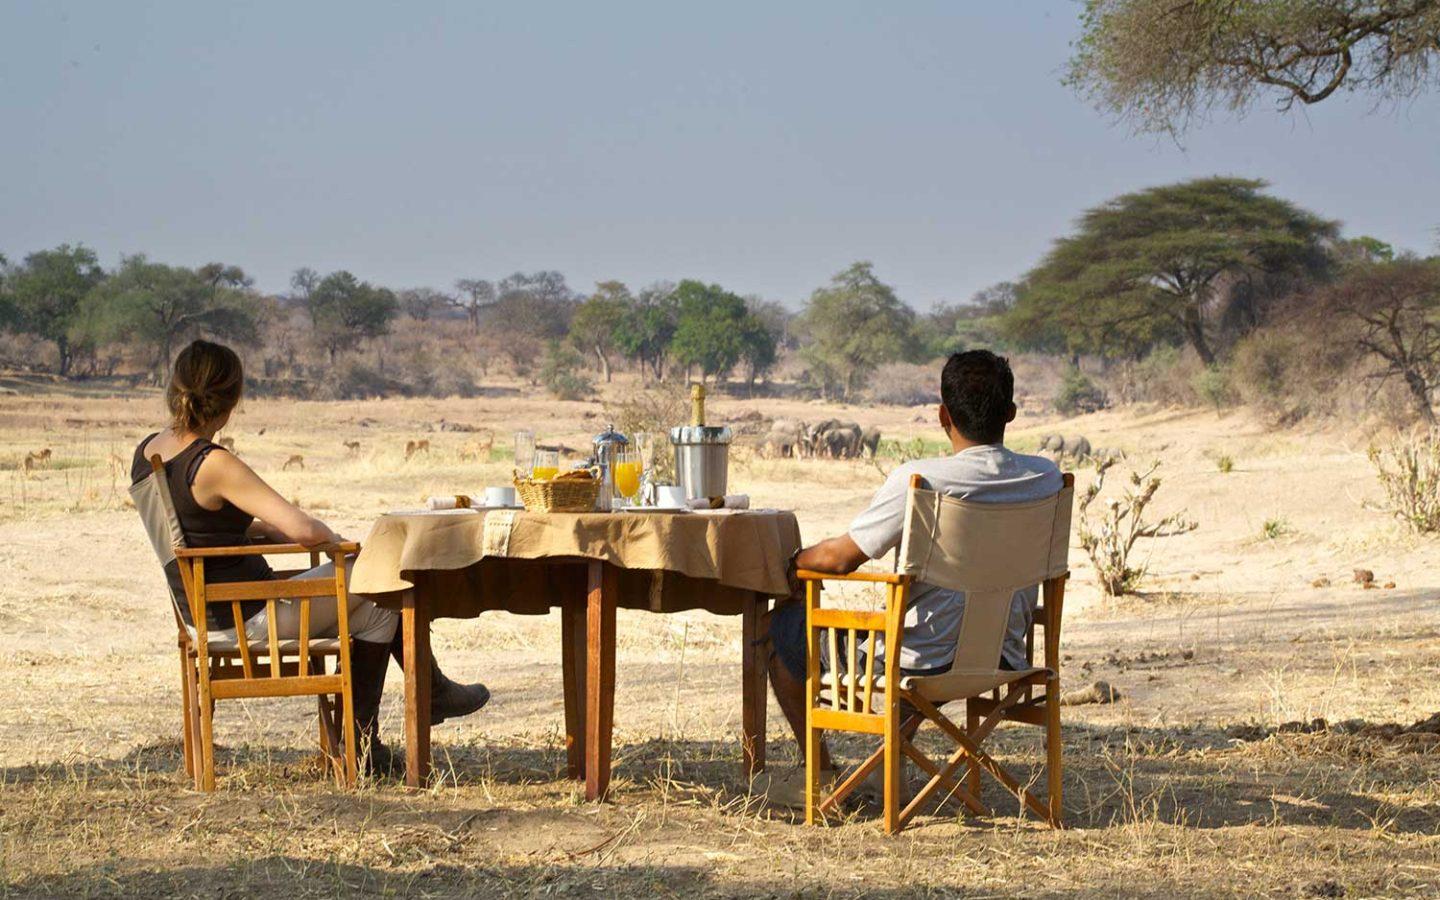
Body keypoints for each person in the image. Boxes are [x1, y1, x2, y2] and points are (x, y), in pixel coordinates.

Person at [131, 339, 489, 775]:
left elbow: (195, 526)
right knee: (383, 576)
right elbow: (304, 529)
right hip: (247, 617)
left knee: (378, 612)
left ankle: (373, 740)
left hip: (203, 613)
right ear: (232, 402)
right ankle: (385, 728)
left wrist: (258, 528)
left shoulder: (150, 452)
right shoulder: (213, 462)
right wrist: (334, 541)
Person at [762, 350, 1063, 806]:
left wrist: (794, 562)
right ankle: (890, 772)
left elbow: (841, 559)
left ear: (943, 415)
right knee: (927, 626)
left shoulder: (919, 479)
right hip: (1005, 656)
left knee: (781, 627)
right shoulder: (1045, 477)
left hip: (923, 665)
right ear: (1011, 413)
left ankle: (822, 777)